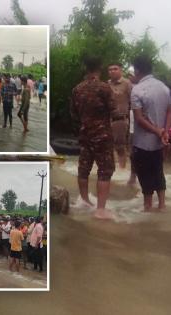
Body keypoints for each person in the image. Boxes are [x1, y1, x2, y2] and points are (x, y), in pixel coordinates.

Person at [70, 56, 117, 219]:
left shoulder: (77, 89)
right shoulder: (104, 88)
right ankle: (100, 210)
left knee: (84, 168)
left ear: (86, 68)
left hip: (84, 134)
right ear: (100, 68)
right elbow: (114, 109)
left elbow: (74, 115)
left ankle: (84, 201)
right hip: (102, 135)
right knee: (105, 170)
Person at [131, 55, 171, 211]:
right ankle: (162, 205)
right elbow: (170, 111)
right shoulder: (164, 87)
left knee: (144, 174)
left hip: (142, 141)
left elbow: (139, 118)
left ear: (137, 70)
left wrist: (157, 131)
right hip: (160, 141)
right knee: (158, 171)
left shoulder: (137, 89)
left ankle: (147, 207)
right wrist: (165, 132)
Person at [107, 62, 133, 169]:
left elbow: (134, 101)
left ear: (121, 70)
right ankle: (111, 171)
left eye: (115, 69)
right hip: (107, 120)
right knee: (107, 147)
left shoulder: (127, 83)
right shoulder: (106, 84)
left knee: (120, 147)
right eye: (110, 69)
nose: (112, 71)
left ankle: (122, 171)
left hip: (120, 120)